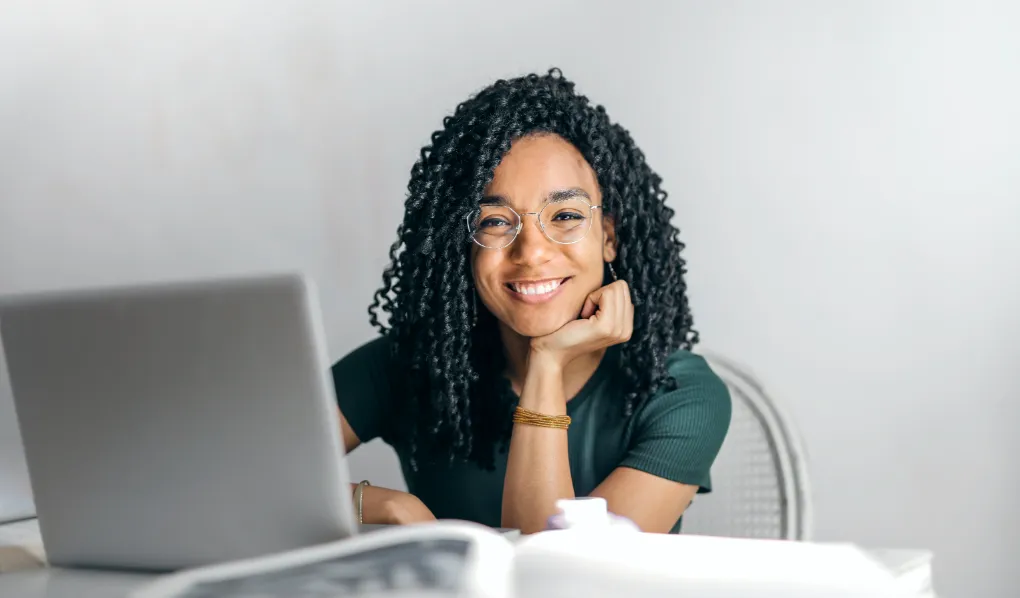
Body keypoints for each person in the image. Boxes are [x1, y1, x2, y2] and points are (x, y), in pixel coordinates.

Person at [332, 68, 731, 534]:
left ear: (609, 237)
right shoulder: (410, 365)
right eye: (495, 222)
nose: (532, 252)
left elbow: (559, 576)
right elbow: (237, 479)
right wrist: (387, 507)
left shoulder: (678, 394)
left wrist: (547, 361)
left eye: (564, 215)